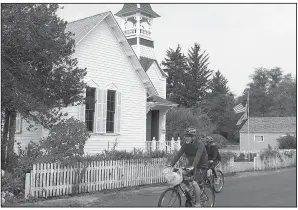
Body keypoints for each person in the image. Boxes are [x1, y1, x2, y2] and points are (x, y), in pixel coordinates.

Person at [169, 128, 209, 207]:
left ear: (193, 137)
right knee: (181, 176)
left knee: (195, 182)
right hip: (191, 166)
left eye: (188, 136)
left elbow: (198, 156)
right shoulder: (186, 144)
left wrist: (193, 166)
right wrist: (171, 165)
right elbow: (178, 154)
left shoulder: (200, 144)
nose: (186, 138)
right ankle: (191, 190)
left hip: (201, 166)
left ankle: (198, 203)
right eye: (185, 136)